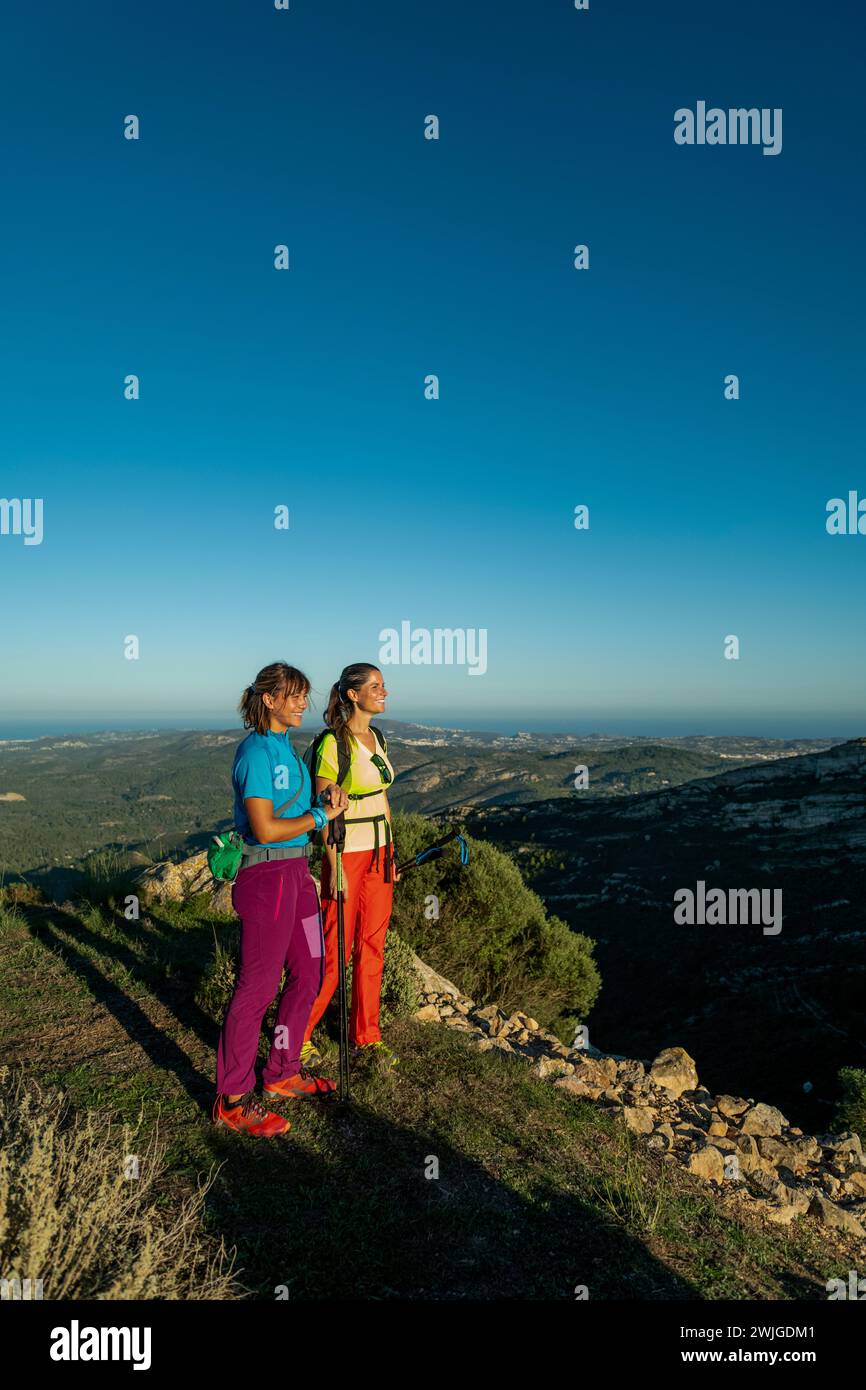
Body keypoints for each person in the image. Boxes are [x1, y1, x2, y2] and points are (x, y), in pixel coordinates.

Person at [213, 661, 349, 1138]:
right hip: (267, 876)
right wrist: (317, 817)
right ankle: (232, 1097)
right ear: (268, 700)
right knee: (258, 986)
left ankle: (281, 1072)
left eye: (305, 696)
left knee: (310, 969)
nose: (302, 704)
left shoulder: (286, 749)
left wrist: (325, 789)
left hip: (297, 875)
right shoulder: (254, 752)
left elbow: (298, 794)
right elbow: (265, 827)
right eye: (293, 695)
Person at [301, 663, 400, 1071]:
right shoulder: (331, 743)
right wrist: (333, 864)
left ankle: (367, 1036)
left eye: (383, 685)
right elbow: (325, 808)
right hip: (345, 855)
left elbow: (381, 798)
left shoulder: (377, 738)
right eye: (375, 686)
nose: (385, 692)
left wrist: (392, 850)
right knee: (332, 950)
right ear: (352, 695)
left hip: (380, 853)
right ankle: (299, 1035)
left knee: (372, 946)